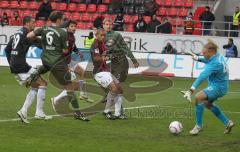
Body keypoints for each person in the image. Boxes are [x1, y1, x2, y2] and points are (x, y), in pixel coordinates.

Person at [27, 11, 89, 121]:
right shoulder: (62, 32)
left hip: (45, 59)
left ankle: (31, 75)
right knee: (70, 87)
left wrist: (43, 44)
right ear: (59, 20)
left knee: (46, 67)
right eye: (63, 19)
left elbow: (29, 36)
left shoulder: (44, 28)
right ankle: (78, 113)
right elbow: (65, 50)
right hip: (56, 62)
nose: (63, 21)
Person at [181, 40, 234, 135]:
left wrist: (191, 90)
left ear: (210, 52)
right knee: (207, 104)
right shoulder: (218, 56)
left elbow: (202, 76)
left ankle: (198, 126)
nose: (203, 54)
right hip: (222, 85)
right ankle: (228, 122)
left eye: (204, 53)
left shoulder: (215, 64)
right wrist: (199, 59)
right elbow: (209, 60)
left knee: (198, 97)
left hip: (218, 87)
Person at [5, 16, 52, 124]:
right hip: (21, 66)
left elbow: (7, 50)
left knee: (37, 85)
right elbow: (40, 44)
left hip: (18, 65)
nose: (34, 25)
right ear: (27, 23)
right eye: (33, 23)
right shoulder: (27, 34)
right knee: (43, 83)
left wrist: (11, 64)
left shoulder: (16, 34)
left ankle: (24, 111)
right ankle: (38, 112)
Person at [102, 18, 139, 111]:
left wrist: (133, 60)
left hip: (121, 63)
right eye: (106, 24)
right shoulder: (101, 36)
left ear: (112, 25)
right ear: (103, 25)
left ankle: (113, 110)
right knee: (111, 85)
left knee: (116, 87)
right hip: (112, 64)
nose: (108, 26)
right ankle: (117, 108)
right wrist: (105, 57)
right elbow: (103, 51)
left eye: (110, 24)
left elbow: (125, 48)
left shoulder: (116, 35)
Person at [90, 28, 125, 119]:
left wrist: (112, 56)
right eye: (101, 35)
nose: (103, 37)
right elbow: (95, 59)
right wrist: (107, 57)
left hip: (105, 71)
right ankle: (106, 111)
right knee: (113, 89)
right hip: (99, 72)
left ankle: (118, 113)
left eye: (104, 35)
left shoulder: (102, 44)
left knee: (120, 90)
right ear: (96, 35)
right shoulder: (95, 45)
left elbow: (105, 56)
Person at [55, 20, 92, 102]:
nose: (74, 28)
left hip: (69, 61)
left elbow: (73, 47)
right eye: (72, 26)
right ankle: (57, 99)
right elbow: (60, 51)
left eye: (75, 26)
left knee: (81, 71)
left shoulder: (72, 37)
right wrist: (65, 66)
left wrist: (79, 52)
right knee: (73, 85)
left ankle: (83, 94)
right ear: (67, 27)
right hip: (63, 63)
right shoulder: (65, 37)